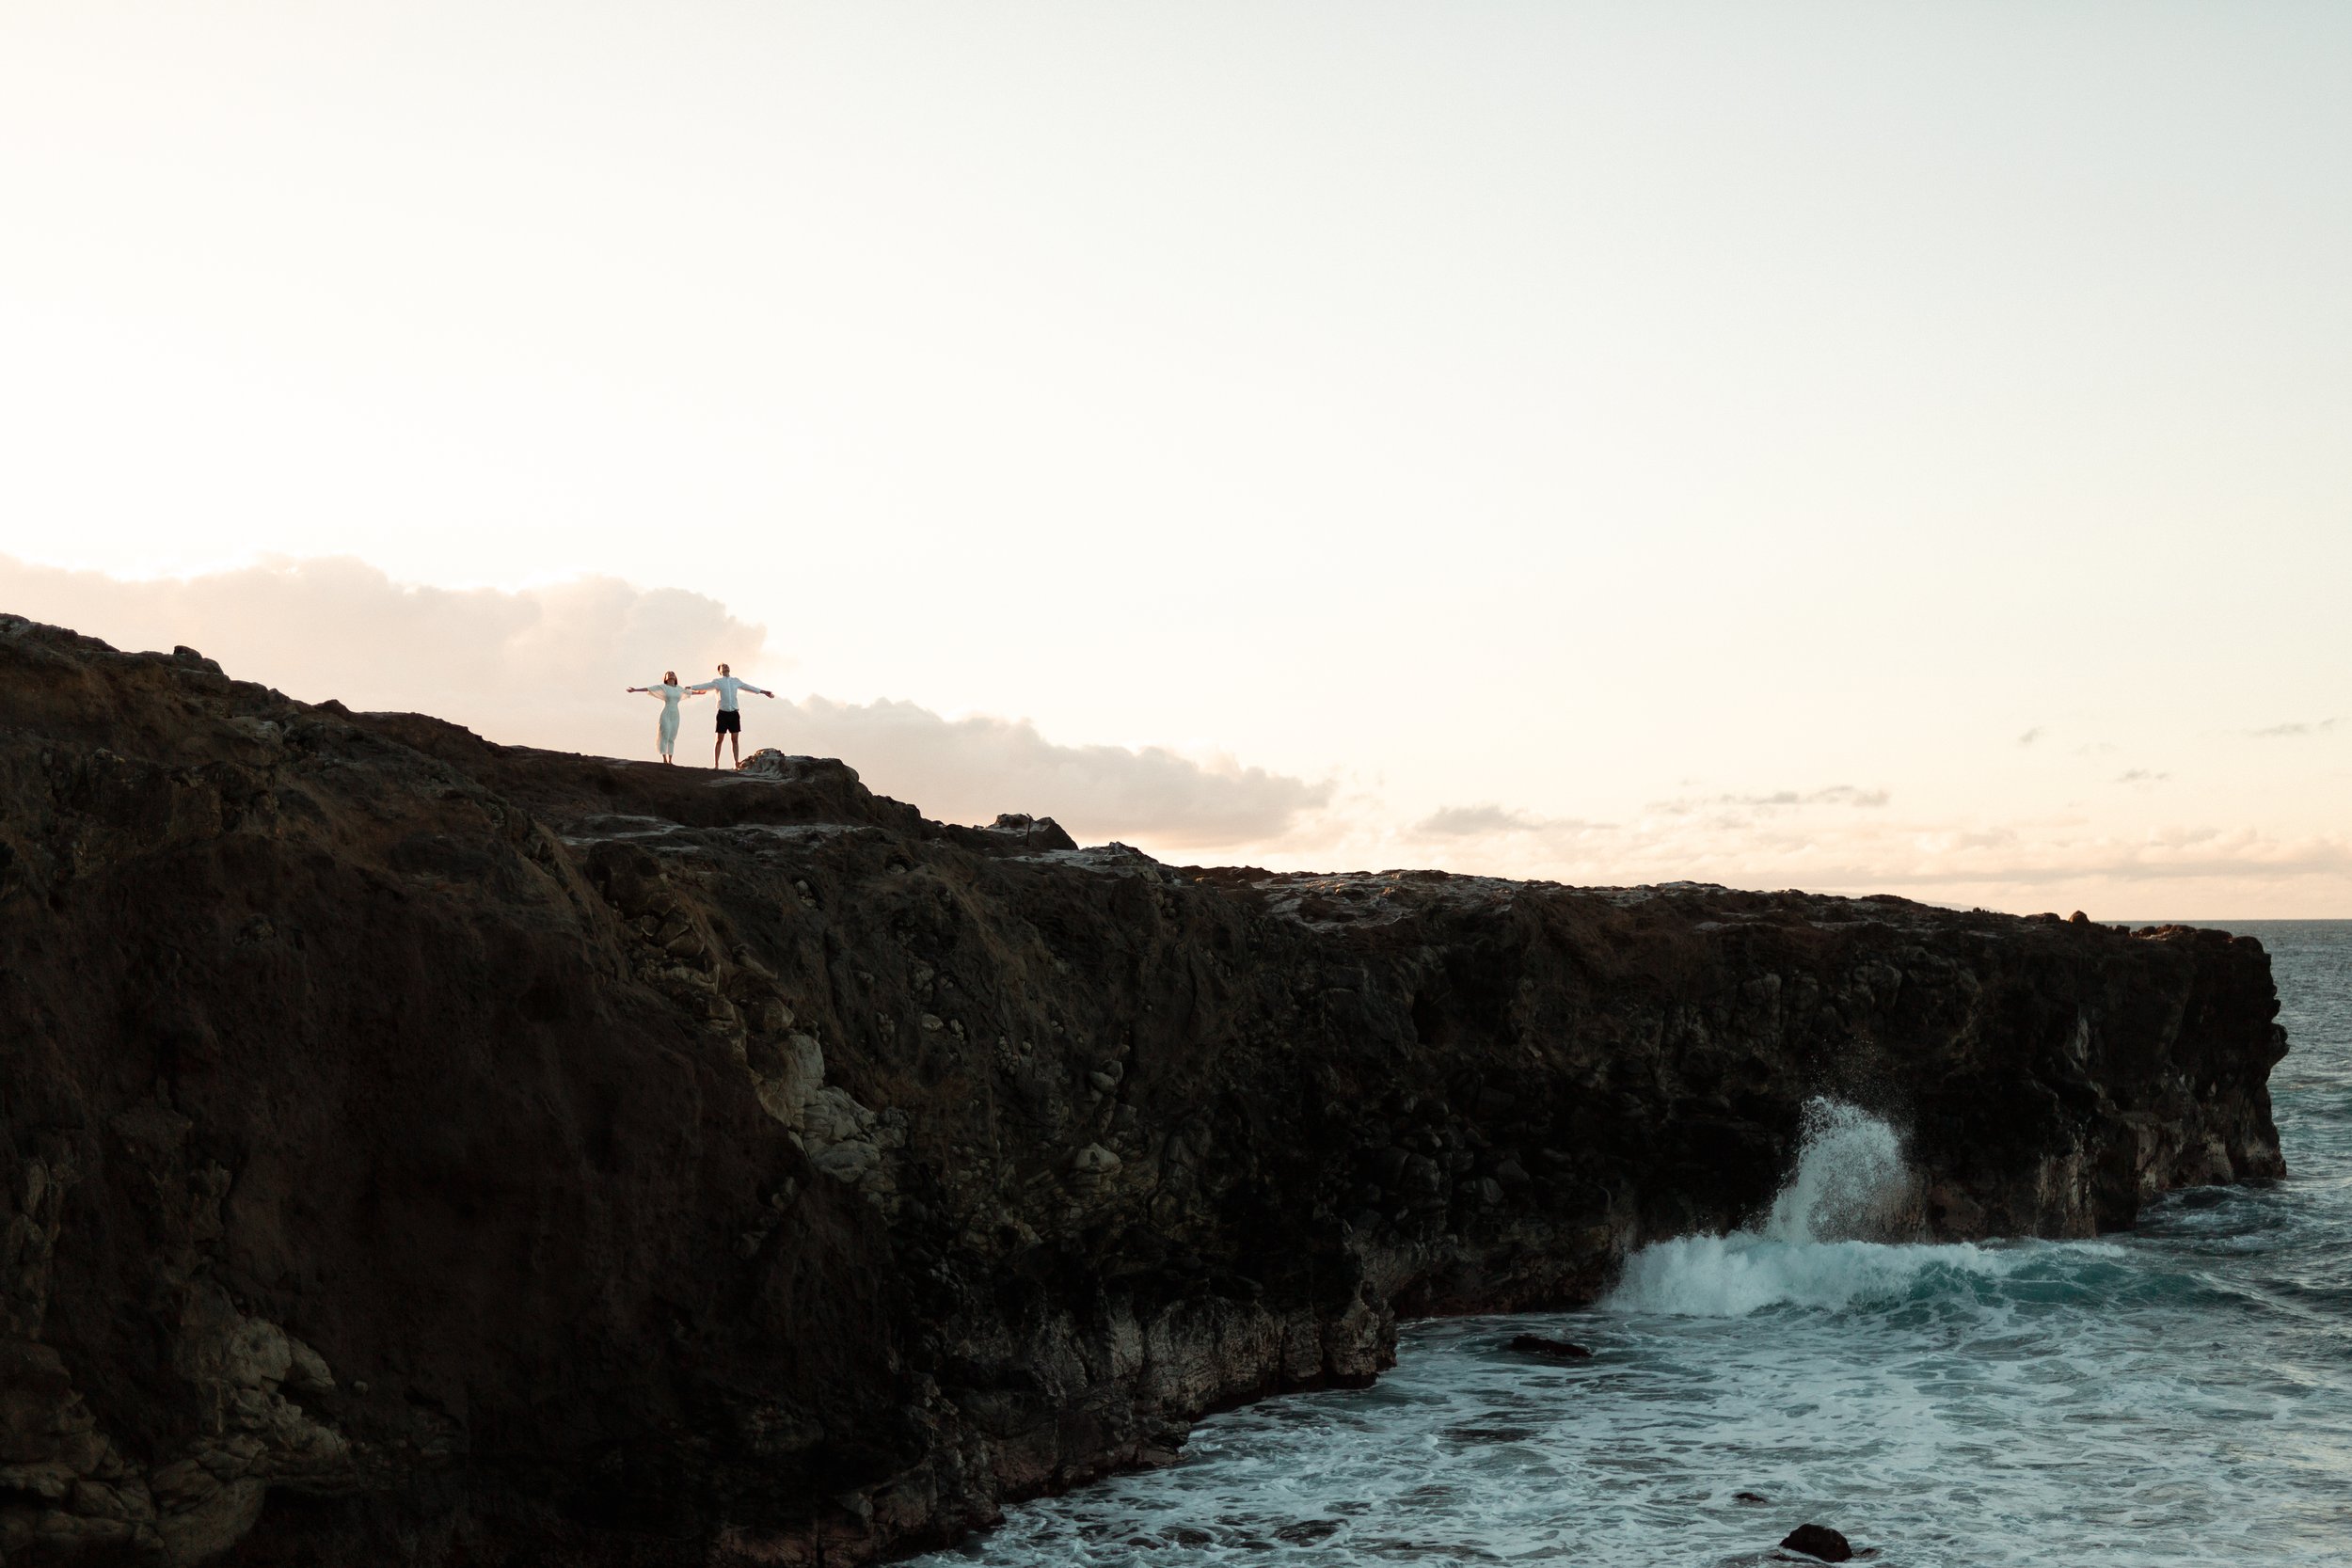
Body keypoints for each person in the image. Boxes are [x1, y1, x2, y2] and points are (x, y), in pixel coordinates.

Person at [688, 662, 775, 769]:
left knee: (735, 740)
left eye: (727, 666)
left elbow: (749, 687)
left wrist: (764, 692)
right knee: (719, 740)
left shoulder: (735, 681)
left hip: (734, 713)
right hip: (722, 714)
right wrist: (691, 687)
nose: (725, 667)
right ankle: (716, 764)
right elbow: (705, 686)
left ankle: (736, 763)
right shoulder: (717, 682)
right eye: (723, 666)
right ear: (719, 671)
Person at [624, 672, 701, 764]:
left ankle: (670, 760)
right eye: (669, 673)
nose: (671, 674)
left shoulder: (680, 688)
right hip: (666, 713)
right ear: (665, 678)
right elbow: (649, 689)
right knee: (665, 734)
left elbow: (691, 692)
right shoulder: (663, 687)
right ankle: (664, 758)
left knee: (672, 736)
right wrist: (635, 690)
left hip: (675, 715)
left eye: (673, 673)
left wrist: (701, 692)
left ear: (676, 677)